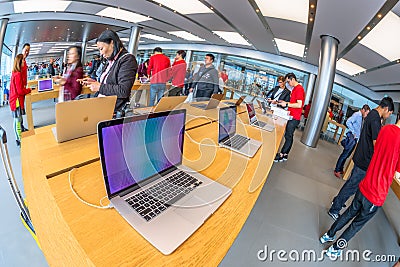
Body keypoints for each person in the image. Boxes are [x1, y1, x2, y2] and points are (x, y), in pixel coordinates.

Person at [320, 119, 400, 258]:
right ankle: (334, 249)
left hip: (365, 184)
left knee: (349, 212)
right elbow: (396, 172)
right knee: (356, 225)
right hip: (377, 194)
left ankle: (328, 235)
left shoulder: (385, 129)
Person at [328, 97, 394, 220]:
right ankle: (335, 209)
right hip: (365, 159)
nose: (388, 116)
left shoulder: (371, 114)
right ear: (386, 109)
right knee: (352, 186)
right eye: (389, 113)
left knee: (351, 183)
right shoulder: (375, 120)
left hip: (360, 156)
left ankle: (337, 201)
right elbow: (376, 143)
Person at [82, 30, 137, 113]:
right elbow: (109, 83)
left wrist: (99, 87)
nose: (101, 53)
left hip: (112, 110)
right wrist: (94, 82)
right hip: (101, 105)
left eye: (101, 48)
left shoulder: (128, 59)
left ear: (112, 43)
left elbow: (123, 90)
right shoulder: (110, 61)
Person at [273, 73, 305, 162]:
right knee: (289, 136)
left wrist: (286, 103)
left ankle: (282, 154)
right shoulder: (295, 89)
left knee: (288, 136)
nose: (287, 84)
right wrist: (285, 102)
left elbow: (299, 105)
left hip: (294, 118)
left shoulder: (299, 89)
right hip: (292, 116)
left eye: (288, 81)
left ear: (292, 79)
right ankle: (285, 154)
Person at [333, 104, 371, 178]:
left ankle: (340, 168)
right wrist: (353, 132)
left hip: (355, 139)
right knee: (344, 154)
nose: (366, 115)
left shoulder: (361, 117)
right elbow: (348, 122)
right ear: (363, 110)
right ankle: (337, 170)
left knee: (347, 155)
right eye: (366, 113)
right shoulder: (357, 115)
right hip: (352, 138)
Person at [9, 54, 31, 146]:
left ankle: (18, 136)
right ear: (19, 62)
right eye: (23, 61)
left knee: (17, 119)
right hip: (16, 100)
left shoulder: (15, 73)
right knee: (17, 120)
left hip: (14, 99)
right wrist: (29, 90)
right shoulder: (17, 74)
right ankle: (19, 139)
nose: (24, 62)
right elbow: (20, 91)